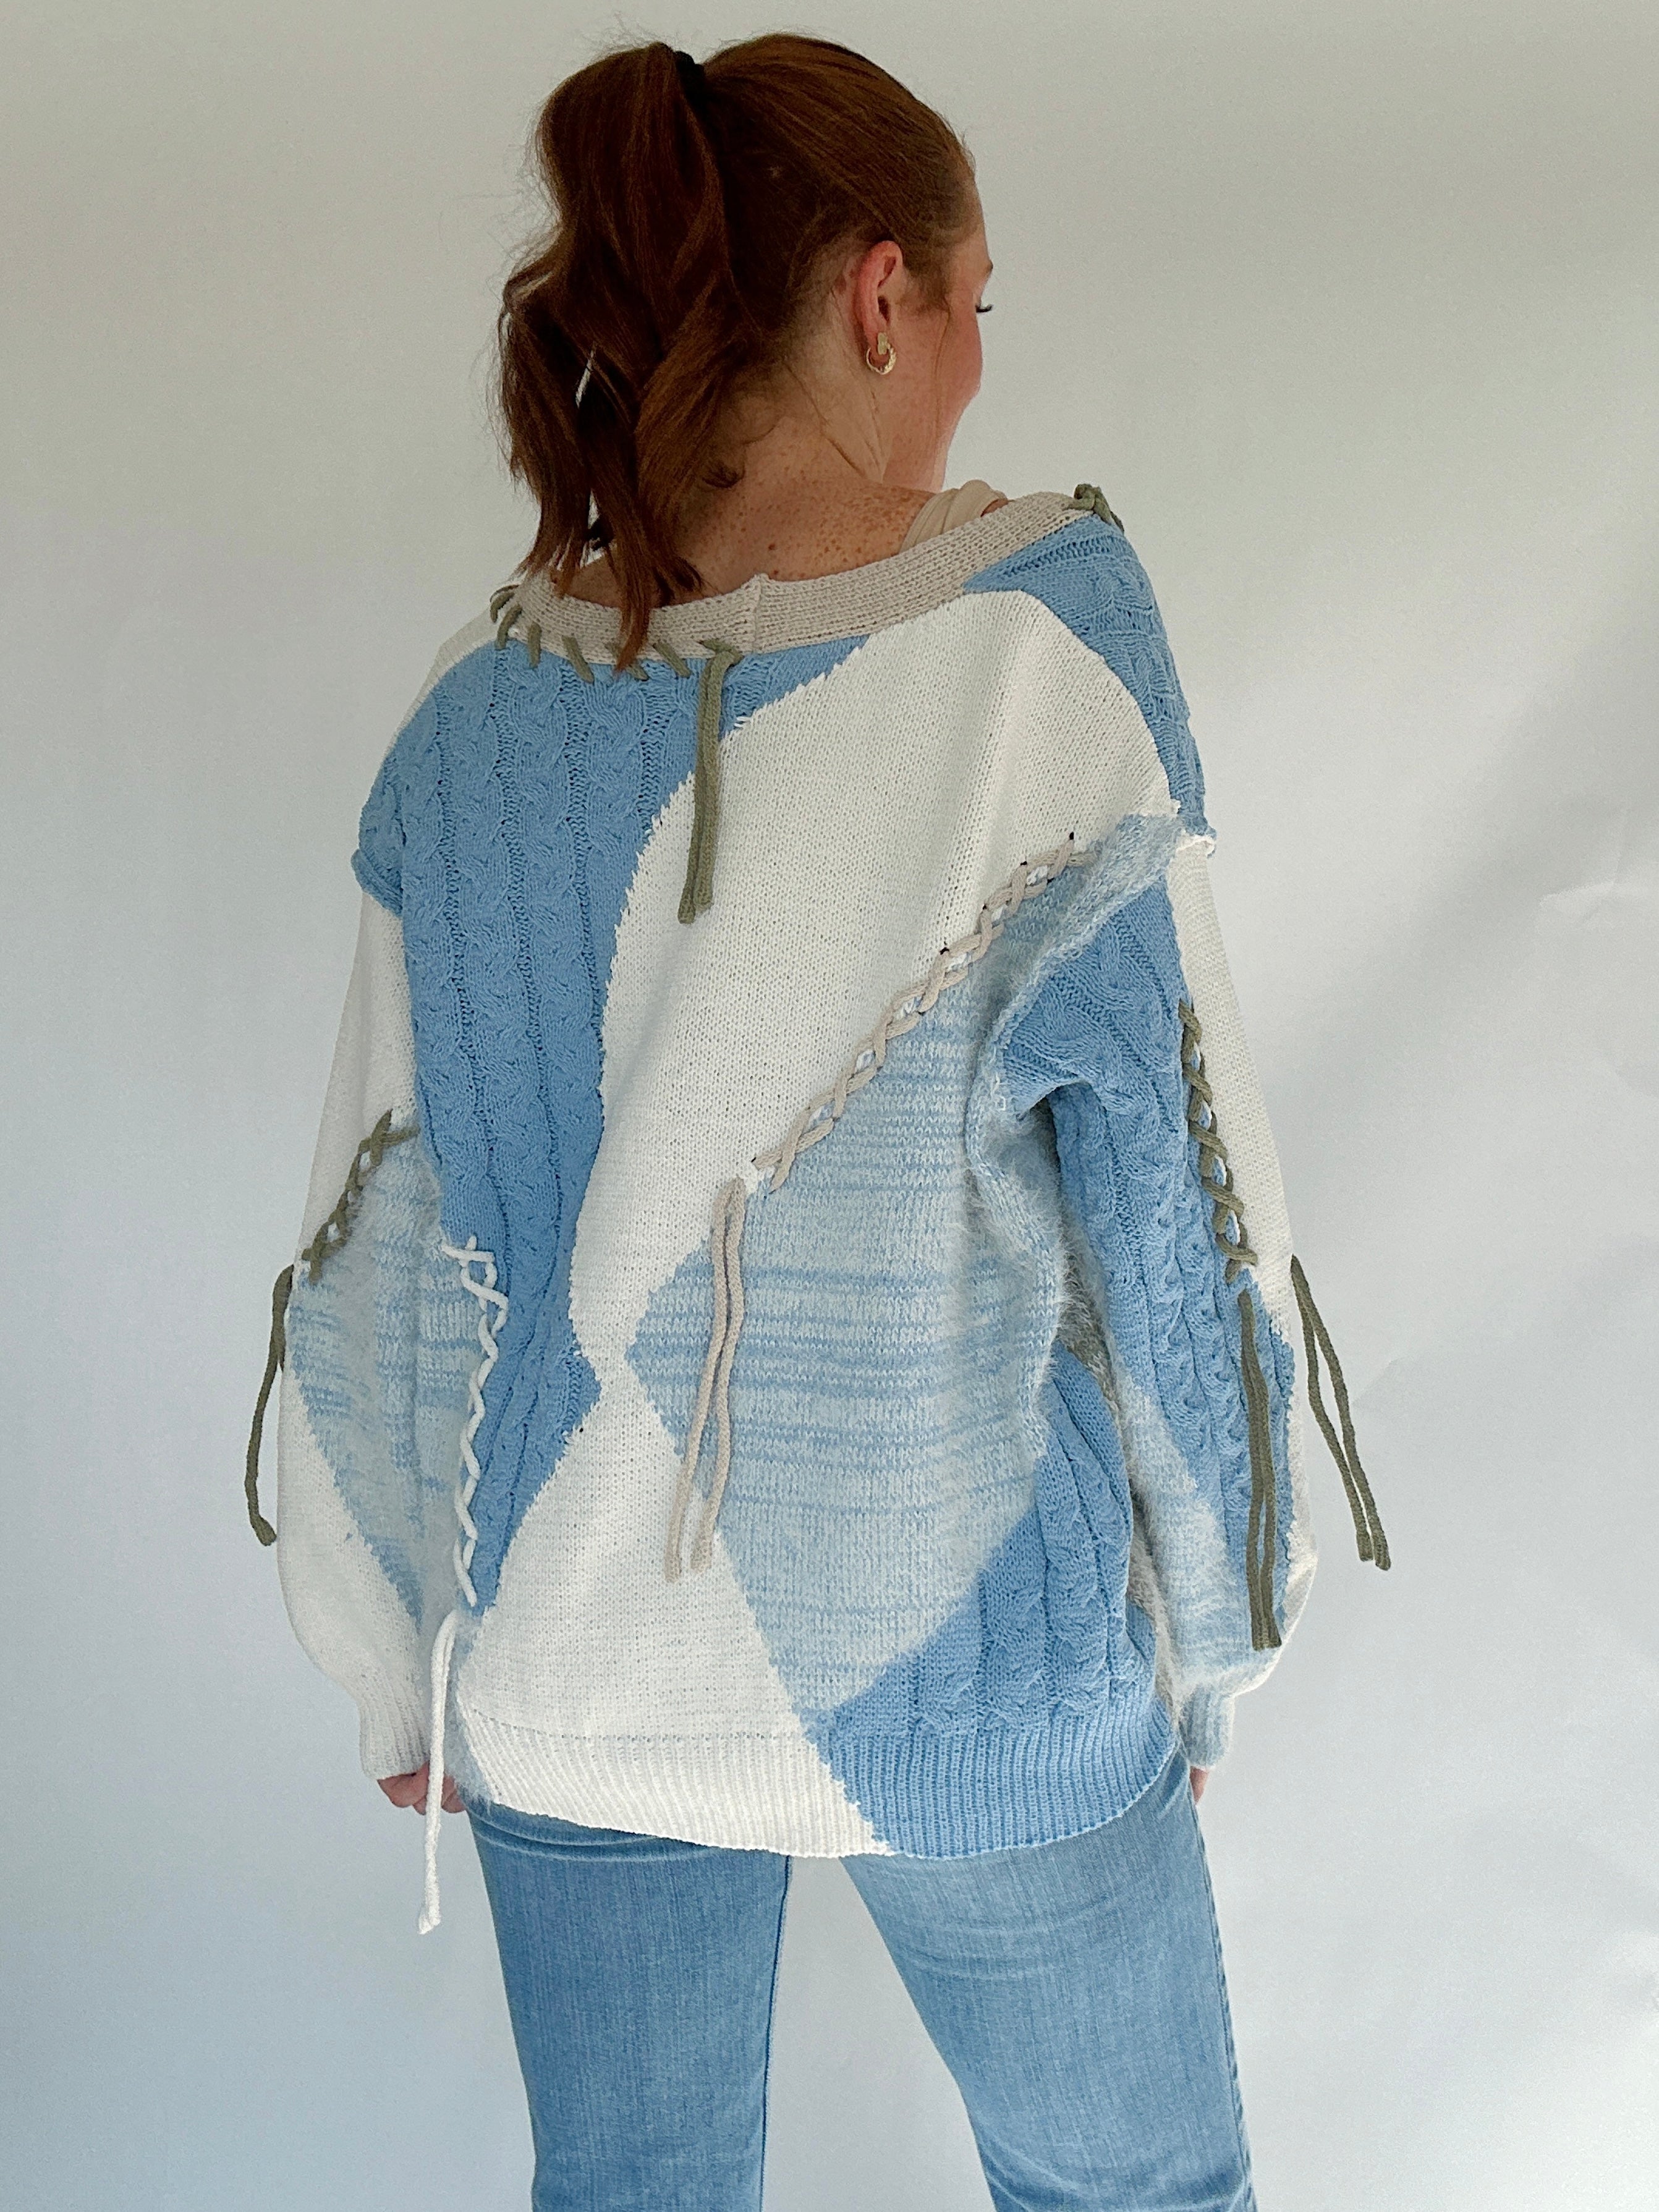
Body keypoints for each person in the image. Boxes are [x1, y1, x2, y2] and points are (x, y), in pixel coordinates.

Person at [245, 31, 1388, 2211]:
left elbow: (378, 1230)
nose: (972, 357)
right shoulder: (1042, 650)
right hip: (981, 1658)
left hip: (569, 1670)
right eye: (974, 302)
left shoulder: (473, 712)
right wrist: (1218, 1625)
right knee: (1133, 2197)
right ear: (884, 296)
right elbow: (1178, 1189)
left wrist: (400, 1668)